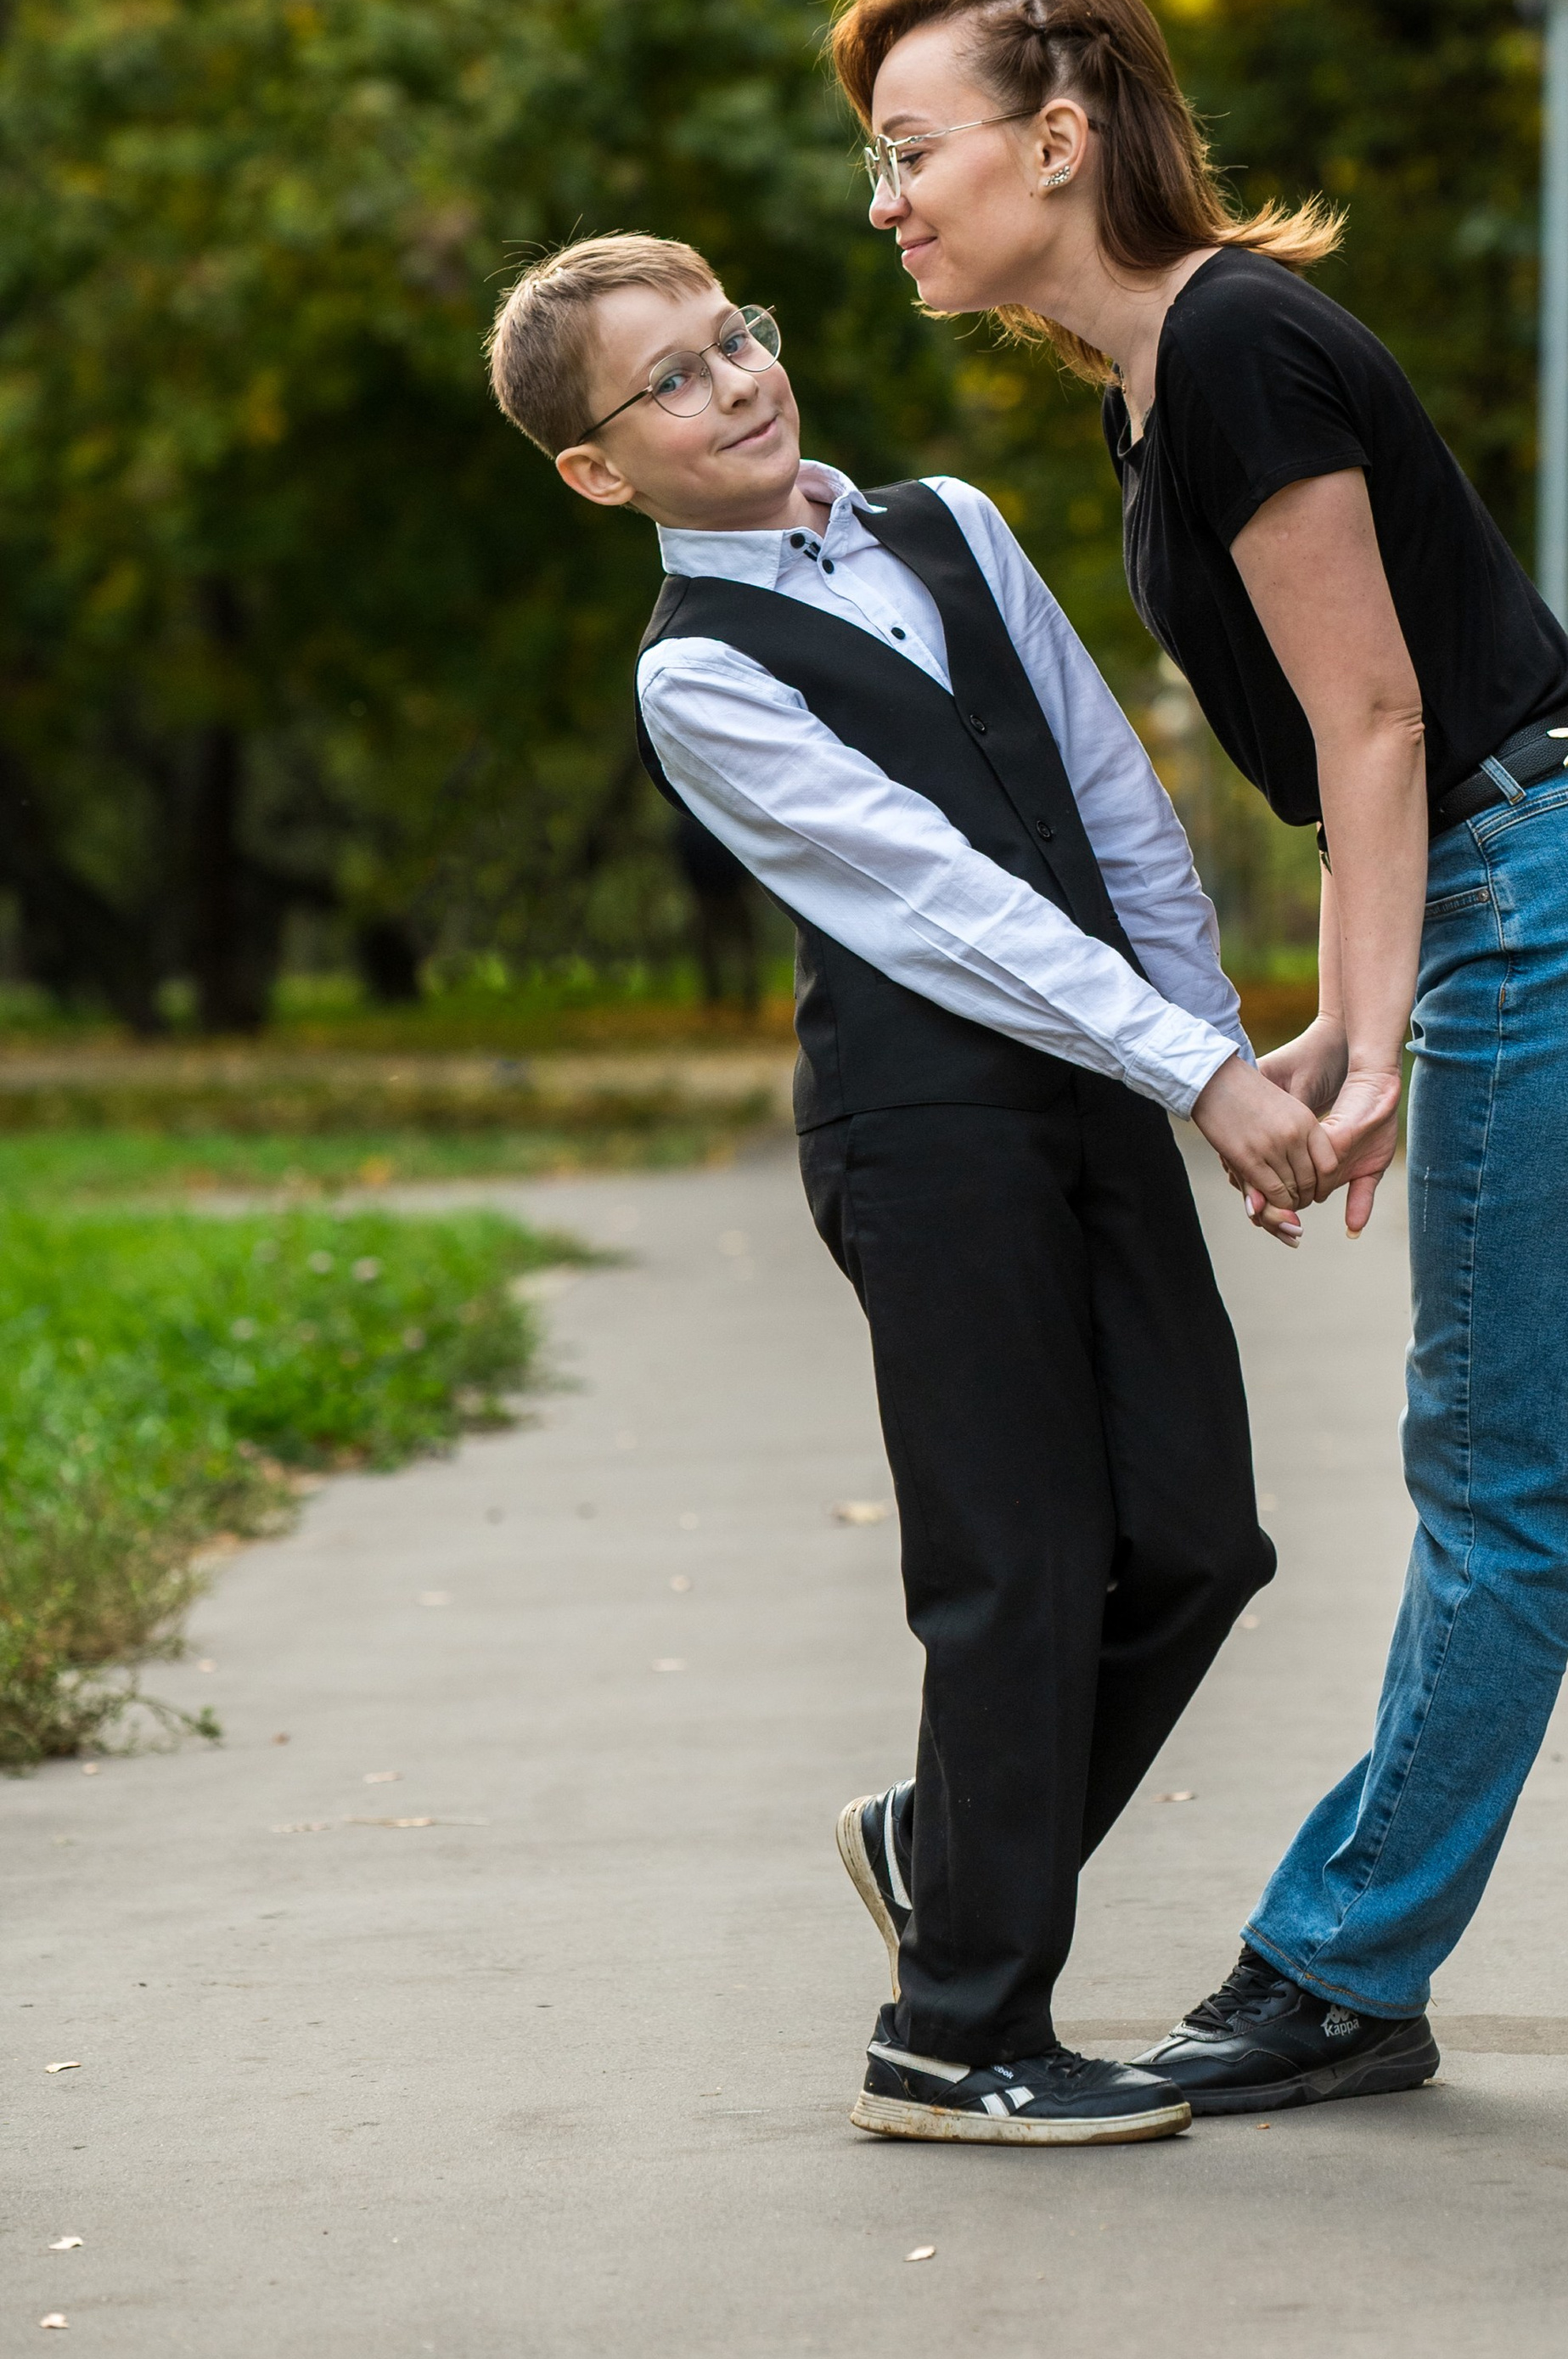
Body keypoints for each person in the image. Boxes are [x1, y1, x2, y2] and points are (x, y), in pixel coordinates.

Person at [828, 0, 1568, 2109]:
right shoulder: (1158, 380)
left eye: (910, 148)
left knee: (1495, 1473)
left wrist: (1378, 1032)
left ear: (1058, 139)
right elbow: (1357, 766)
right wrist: (1338, 1015)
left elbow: (1382, 718)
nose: (886, 200)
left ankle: (1339, 1960)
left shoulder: (1232, 342)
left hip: (1545, 888)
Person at [486, 231, 1328, 2147]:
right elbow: (934, 901)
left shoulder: (948, 524)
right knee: (1016, 1564)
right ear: (599, 472)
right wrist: (1191, 1067)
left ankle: (937, 1846)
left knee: (1201, 1537)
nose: (735, 383)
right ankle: (955, 2034)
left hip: (1101, 1089)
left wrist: (1208, 1061)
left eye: (734, 337)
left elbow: (1112, 800)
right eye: (670, 382)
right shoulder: (700, 673)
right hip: (928, 1133)